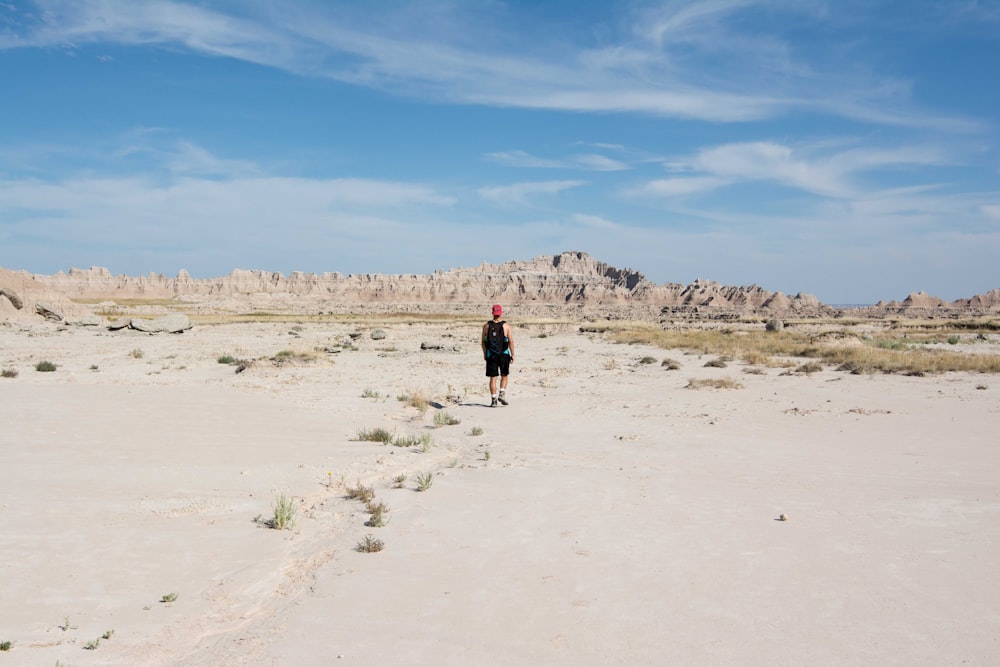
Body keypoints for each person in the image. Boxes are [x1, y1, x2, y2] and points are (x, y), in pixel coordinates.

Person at [482, 303, 514, 407]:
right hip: (504, 354)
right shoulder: (506, 326)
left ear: (493, 313)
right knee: (504, 375)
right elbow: (511, 341)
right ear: (500, 313)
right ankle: (502, 392)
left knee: (493, 378)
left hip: (491, 355)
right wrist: (513, 354)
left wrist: (485, 353)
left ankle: (494, 400)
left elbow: (483, 342)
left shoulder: (486, 326)